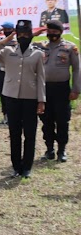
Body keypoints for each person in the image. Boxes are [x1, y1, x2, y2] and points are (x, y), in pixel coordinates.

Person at [0, 20, 45, 178]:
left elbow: (41, 79)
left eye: (27, 33)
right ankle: (16, 166)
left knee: (30, 134)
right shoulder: (8, 51)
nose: (24, 36)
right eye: (21, 34)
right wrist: (2, 42)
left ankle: (27, 167)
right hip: (11, 98)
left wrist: (41, 100)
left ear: (31, 34)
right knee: (15, 133)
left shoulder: (37, 53)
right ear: (16, 35)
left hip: (30, 98)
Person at [33, 20, 80, 162]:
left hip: (62, 89)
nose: (52, 34)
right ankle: (49, 149)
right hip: (44, 89)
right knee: (46, 120)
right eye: (49, 31)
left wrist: (76, 89)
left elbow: (77, 69)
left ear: (61, 32)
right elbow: (21, 44)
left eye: (55, 32)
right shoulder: (40, 46)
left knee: (62, 120)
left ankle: (62, 150)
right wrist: (34, 34)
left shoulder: (70, 47)